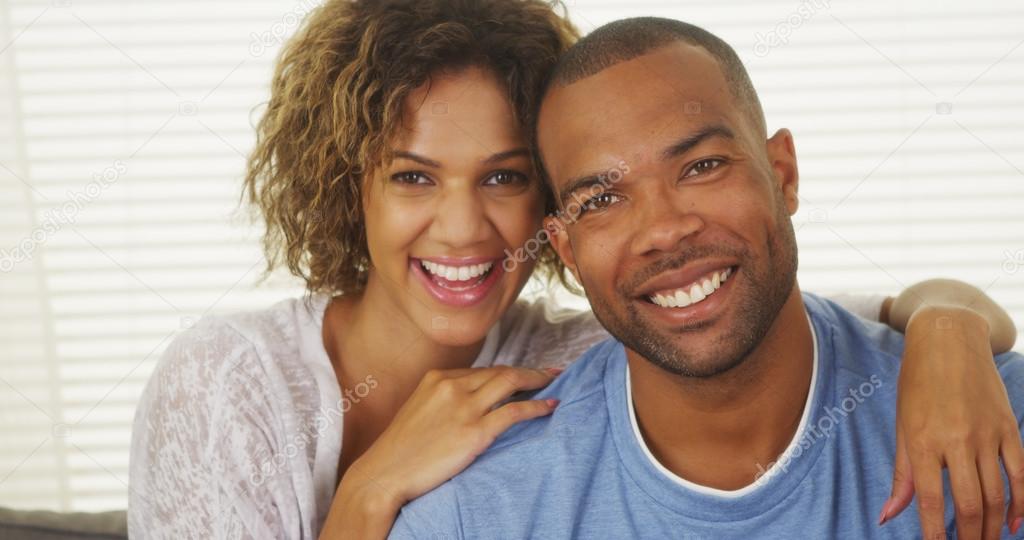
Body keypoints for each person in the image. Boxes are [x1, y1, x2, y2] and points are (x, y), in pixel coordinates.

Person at [127, 3, 1020, 539]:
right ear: (342, 186)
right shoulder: (229, 385)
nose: (464, 226)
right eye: (412, 177)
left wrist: (947, 334)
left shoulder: (583, 350)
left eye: (506, 177)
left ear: (548, 222)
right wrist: (368, 492)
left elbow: (769, 300)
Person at [387, 17, 1024, 540]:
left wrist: (948, 324)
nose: (664, 230)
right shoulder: (470, 516)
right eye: (602, 200)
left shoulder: (996, 423)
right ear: (566, 250)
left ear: (783, 174)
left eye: (702, 165)